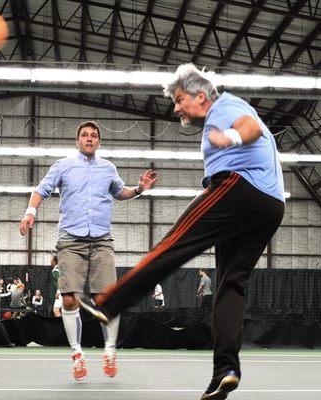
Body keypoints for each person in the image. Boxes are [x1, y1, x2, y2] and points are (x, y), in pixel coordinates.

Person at [79, 64, 285, 400]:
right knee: (230, 285)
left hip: (240, 188)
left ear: (200, 96)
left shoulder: (225, 107)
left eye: (179, 100)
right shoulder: (225, 110)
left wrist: (230, 137)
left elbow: (250, 129)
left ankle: (112, 302)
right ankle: (226, 371)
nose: (175, 108)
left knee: (175, 243)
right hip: (271, 206)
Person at [19, 120, 158, 381]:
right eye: (85, 135)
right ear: (78, 141)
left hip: (102, 241)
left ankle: (109, 350)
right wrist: (30, 213)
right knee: (70, 300)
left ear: (99, 142)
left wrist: (139, 190)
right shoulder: (63, 166)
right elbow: (41, 190)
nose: (89, 138)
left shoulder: (108, 169)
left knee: (108, 300)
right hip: (71, 241)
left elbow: (120, 192)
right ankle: (77, 355)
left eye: (94, 135)